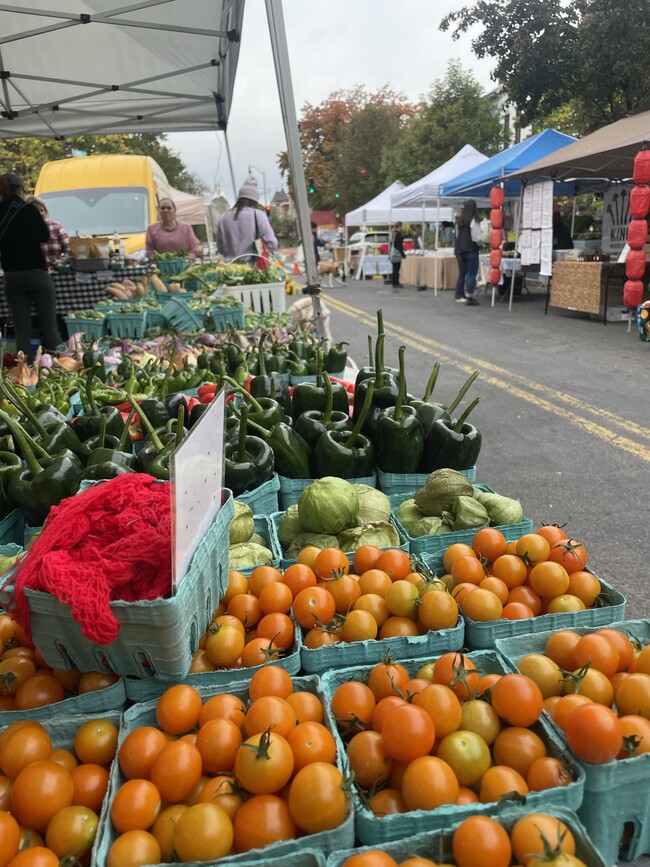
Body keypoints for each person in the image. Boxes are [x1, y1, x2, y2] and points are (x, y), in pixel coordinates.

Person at [0, 172, 62, 359]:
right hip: (36, 273)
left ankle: (24, 370)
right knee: (49, 325)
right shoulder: (28, 209)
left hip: (11, 276)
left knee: (21, 328)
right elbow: (45, 236)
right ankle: (60, 365)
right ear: (20, 189)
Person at [216, 175, 278, 263]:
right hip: (254, 269)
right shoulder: (258, 215)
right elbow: (272, 243)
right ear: (255, 199)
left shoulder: (223, 218)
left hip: (230, 270)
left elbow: (220, 248)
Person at [25, 196, 71, 270]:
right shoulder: (23, 231)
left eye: (42, 210)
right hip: (34, 273)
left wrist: (62, 264)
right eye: (36, 211)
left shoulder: (56, 226)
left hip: (56, 272)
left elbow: (69, 247)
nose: (40, 213)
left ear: (46, 212)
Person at [454, 199, 482, 306]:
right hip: (471, 249)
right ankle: (469, 296)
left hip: (460, 250)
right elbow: (476, 237)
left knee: (462, 274)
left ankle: (459, 295)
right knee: (471, 274)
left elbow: (457, 236)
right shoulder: (473, 220)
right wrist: (480, 245)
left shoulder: (459, 221)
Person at [389, 221, 406, 291]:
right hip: (397, 254)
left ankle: (394, 282)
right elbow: (399, 246)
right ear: (399, 226)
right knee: (396, 269)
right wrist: (402, 254)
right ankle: (396, 283)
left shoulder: (393, 234)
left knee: (394, 269)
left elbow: (392, 244)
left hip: (393, 253)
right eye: (401, 226)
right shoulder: (398, 235)